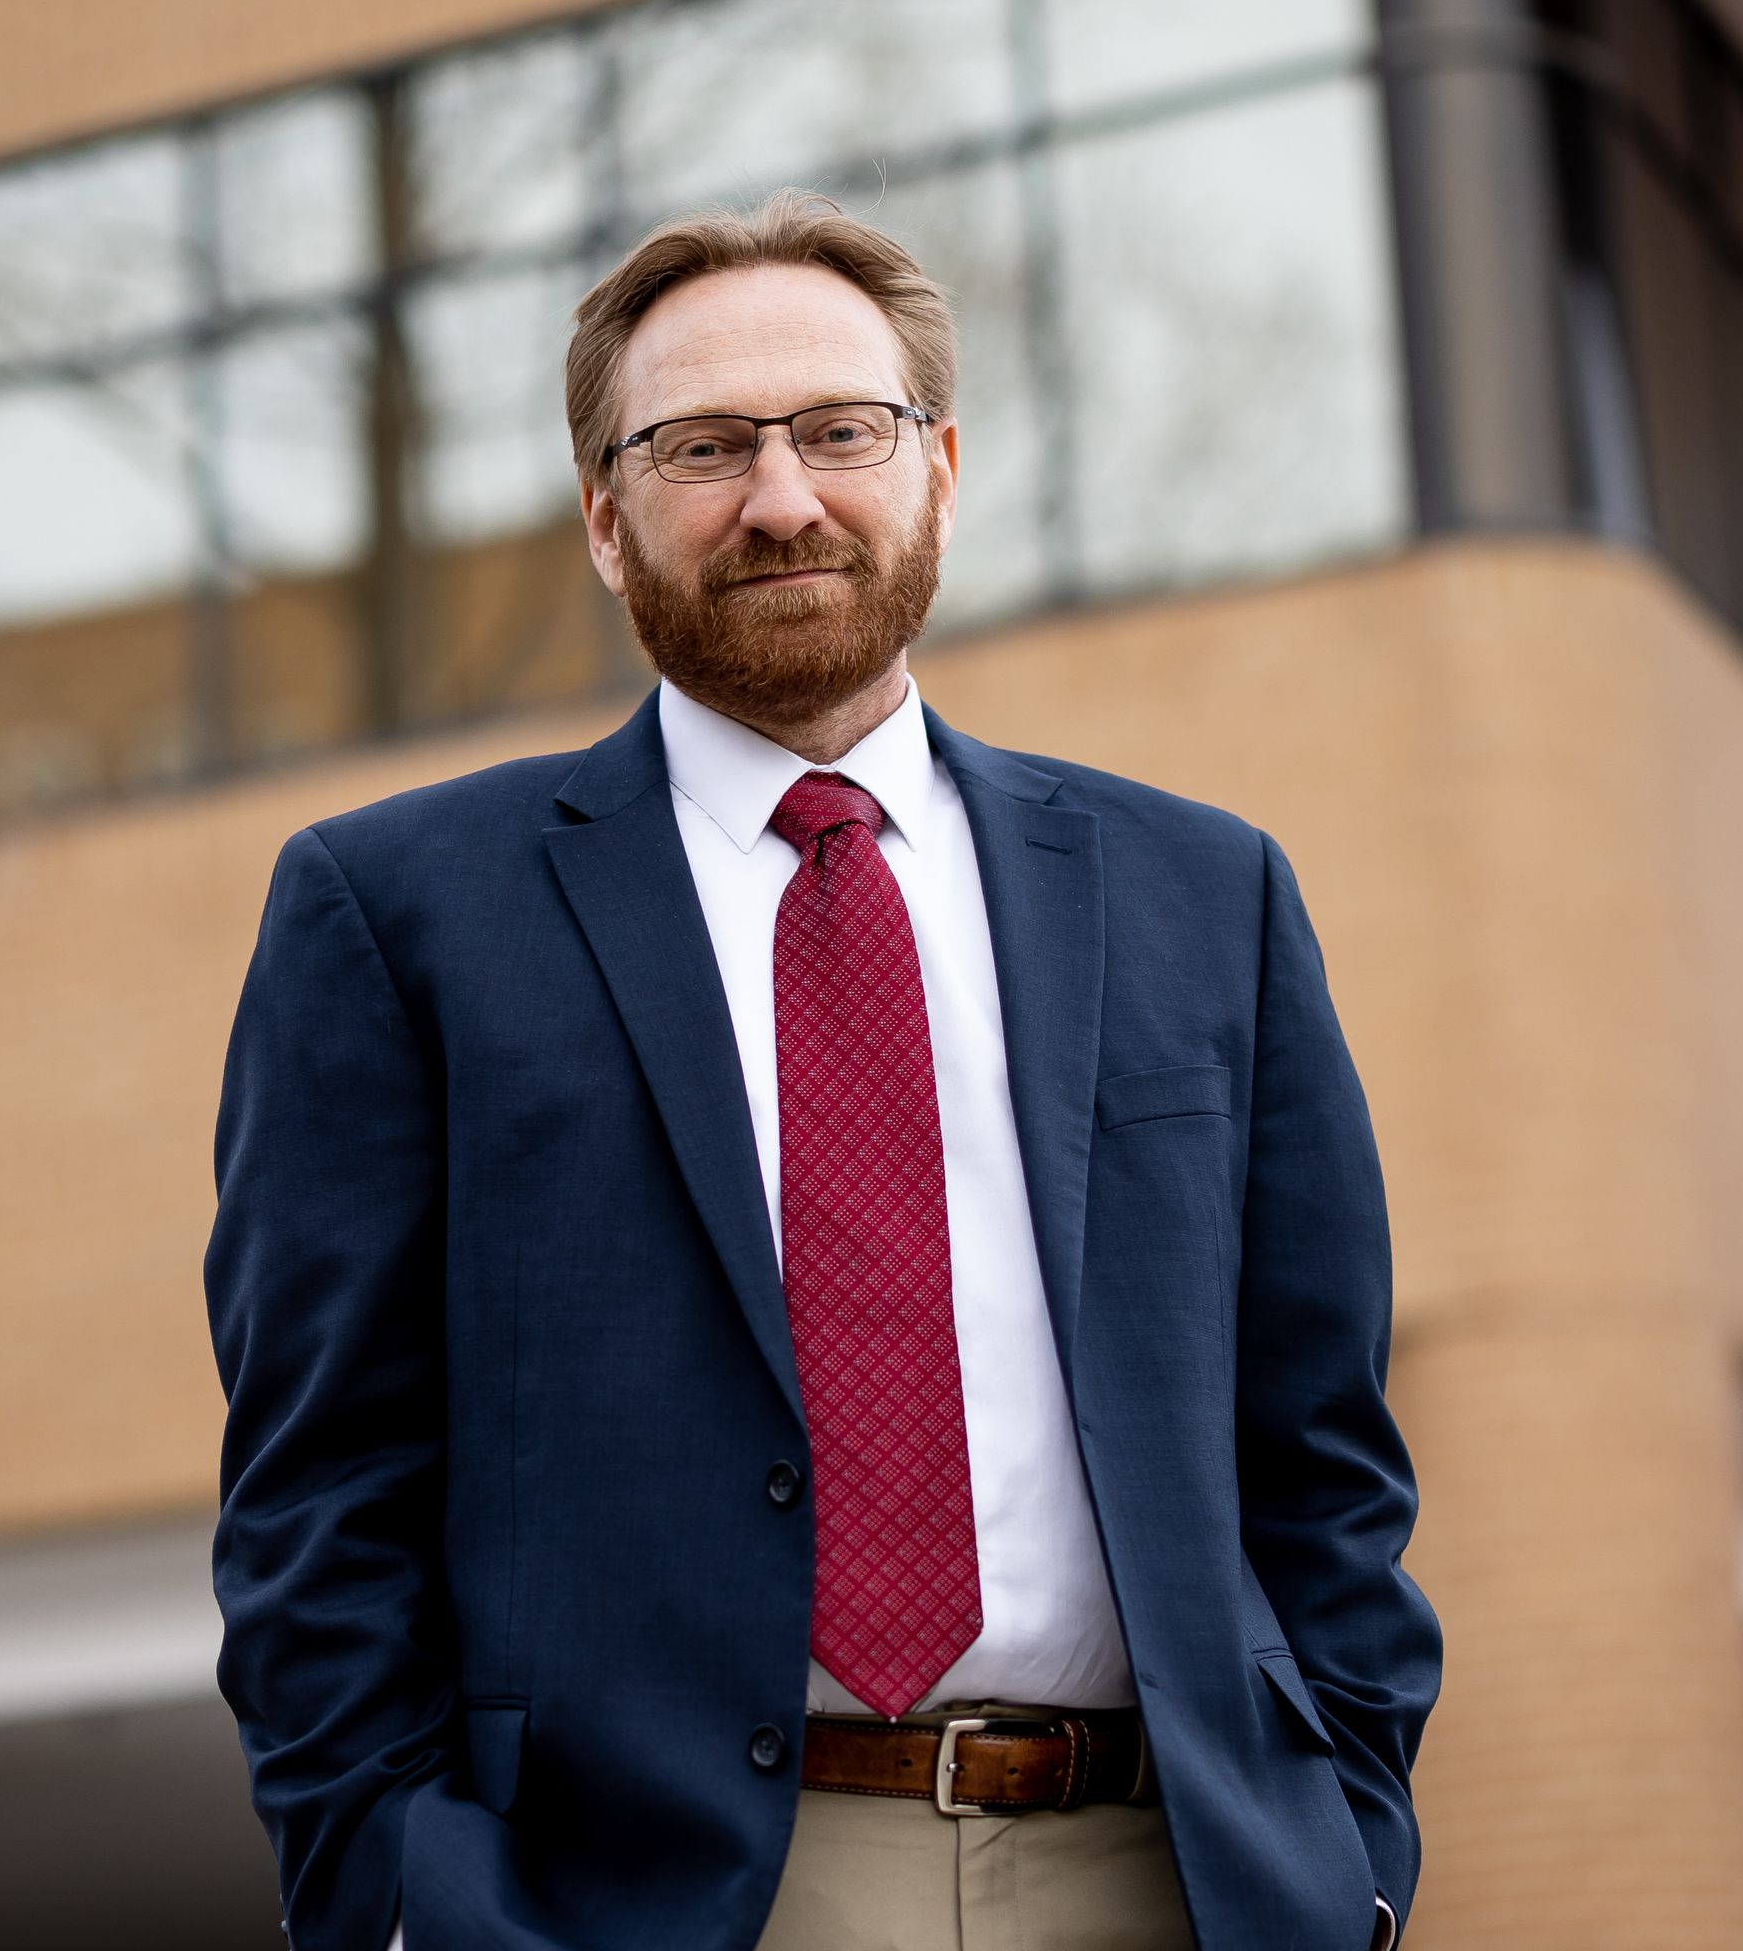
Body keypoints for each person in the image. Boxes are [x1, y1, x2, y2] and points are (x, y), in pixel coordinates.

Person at [204, 189, 1439, 1951]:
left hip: (1171, 1877)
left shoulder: (1205, 892)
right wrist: (406, 1906)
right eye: (704, 446)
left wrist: (1352, 1854)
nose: (782, 498)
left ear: (942, 465)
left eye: (839, 432)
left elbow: (1323, 1447)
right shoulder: (396, 914)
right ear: (604, 522)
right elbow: (319, 1492)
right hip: (645, 1902)